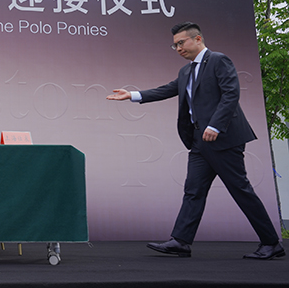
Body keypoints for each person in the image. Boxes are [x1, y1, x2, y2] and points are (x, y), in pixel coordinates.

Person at [107, 22, 284, 260]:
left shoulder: (218, 60)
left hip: (222, 139)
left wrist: (215, 125)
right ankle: (180, 241)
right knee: (193, 190)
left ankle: (271, 243)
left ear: (198, 39)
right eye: (175, 45)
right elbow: (167, 89)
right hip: (200, 142)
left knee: (240, 190)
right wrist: (133, 95)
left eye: (181, 43)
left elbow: (231, 93)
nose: (178, 48)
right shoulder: (186, 71)